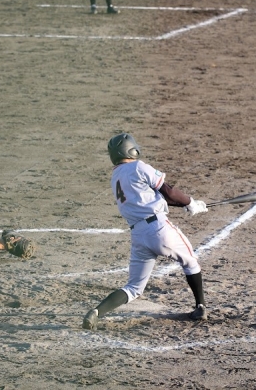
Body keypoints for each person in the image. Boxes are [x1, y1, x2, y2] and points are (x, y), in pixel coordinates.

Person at [82, 133, 209, 330]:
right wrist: (190, 202)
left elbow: (150, 198)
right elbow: (168, 191)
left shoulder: (116, 177)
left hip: (138, 235)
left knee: (134, 288)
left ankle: (97, 312)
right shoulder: (138, 166)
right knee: (190, 261)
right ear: (131, 149)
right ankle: (200, 307)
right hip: (159, 229)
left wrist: (184, 205)